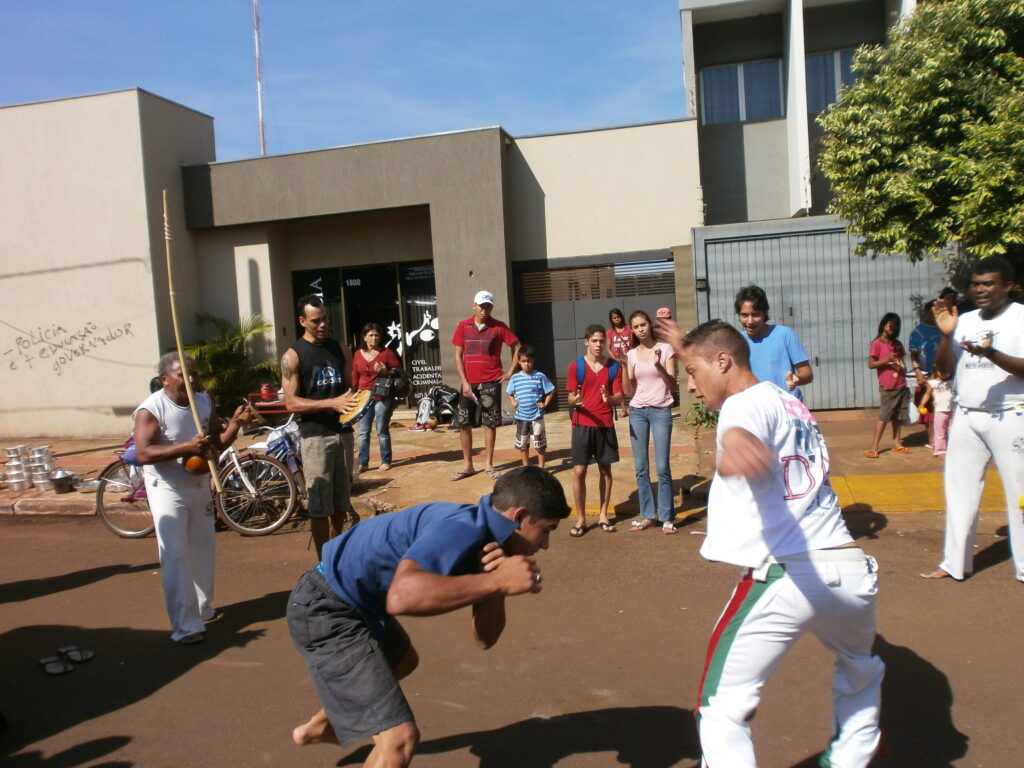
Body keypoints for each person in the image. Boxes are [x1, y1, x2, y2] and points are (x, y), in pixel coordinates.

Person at [658, 318, 884, 768]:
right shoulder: (789, 400)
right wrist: (687, 347)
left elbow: (743, 425)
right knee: (860, 673)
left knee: (720, 705)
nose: (692, 386)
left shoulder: (741, 408)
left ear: (723, 362)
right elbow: (722, 363)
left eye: (692, 373)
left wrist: (738, 442)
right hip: (852, 571)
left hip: (790, 574)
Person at [288, 466, 570, 767]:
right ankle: (339, 724)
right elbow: (402, 596)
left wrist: (496, 586)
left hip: (360, 602)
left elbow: (485, 639)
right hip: (326, 606)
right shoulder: (463, 528)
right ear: (519, 516)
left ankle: (321, 727)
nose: (545, 544)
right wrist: (497, 582)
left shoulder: (495, 540)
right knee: (399, 741)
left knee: (402, 661)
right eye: (547, 529)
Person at [921, 257, 1024, 582]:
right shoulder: (963, 320)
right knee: (959, 491)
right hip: (967, 415)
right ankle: (954, 563)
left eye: (989, 283)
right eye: (976, 284)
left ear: (1007, 286)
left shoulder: (1020, 318)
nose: (980, 290)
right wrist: (946, 336)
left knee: (1020, 495)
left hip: (1010, 414)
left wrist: (990, 353)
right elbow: (944, 369)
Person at [133, 352, 246, 644]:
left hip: (199, 485)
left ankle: (202, 609)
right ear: (164, 380)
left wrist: (234, 425)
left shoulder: (205, 402)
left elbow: (215, 445)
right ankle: (185, 626)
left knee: (202, 550)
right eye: (184, 374)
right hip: (167, 489)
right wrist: (185, 447)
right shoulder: (152, 409)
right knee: (175, 556)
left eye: (194, 373)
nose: (192, 379)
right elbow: (143, 453)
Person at [282, 295, 359, 560]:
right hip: (315, 437)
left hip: (343, 435)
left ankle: (337, 557)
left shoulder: (342, 348)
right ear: (303, 321)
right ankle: (322, 563)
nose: (323, 324)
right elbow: (290, 403)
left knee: (341, 504)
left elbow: (350, 390)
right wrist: (331, 402)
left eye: (326, 318)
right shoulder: (293, 356)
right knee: (319, 507)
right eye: (317, 320)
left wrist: (360, 401)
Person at [451, 290, 521, 481]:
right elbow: (458, 355)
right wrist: (464, 382)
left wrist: (510, 371)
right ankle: (468, 465)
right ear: (474, 305)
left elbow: (517, 347)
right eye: (482, 305)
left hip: (491, 381)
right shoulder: (463, 326)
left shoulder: (499, 327)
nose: (485, 309)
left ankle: (489, 464)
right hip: (469, 383)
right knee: (464, 424)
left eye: (488, 305)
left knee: (489, 424)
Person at [621, 310, 678, 534]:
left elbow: (673, 386)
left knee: (662, 466)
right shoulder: (632, 354)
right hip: (637, 412)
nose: (641, 329)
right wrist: (624, 367)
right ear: (632, 330)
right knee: (641, 468)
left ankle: (666, 517)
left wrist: (659, 366)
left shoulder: (665, 349)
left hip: (661, 410)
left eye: (643, 324)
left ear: (649, 325)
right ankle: (647, 515)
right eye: (636, 327)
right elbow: (628, 390)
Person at [567, 324, 624, 536]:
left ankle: (603, 515)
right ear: (586, 342)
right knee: (579, 471)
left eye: (602, 341)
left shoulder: (613, 367)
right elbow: (570, 396)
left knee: (605, 470)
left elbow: (619, 396)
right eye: (595, 341)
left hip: (605, 424)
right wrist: (576, 400)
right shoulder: (576, 366)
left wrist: (609, 399)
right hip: (582, 424)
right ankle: (581, 518)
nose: (599, 344)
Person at [733, 285, 813, 399]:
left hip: (786, 408)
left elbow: (807, 374)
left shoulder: (785, 335)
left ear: (764, 313)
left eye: (755, 315)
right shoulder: (736, 341)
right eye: (745, 315)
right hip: (755, 408)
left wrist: (796, 379)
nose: (750, 321)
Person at [352, 322, 403, 474]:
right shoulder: (357, 354)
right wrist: (353, 391)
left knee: (382, 430)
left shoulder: (386, 353)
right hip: (363, 396)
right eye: (371, 335)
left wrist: (385, 371)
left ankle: (386, 460)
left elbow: (398, 372)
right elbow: (355, 374)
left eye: (377, 335)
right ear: (365, 337)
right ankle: (363, 462)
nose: (374, 338)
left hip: (382, 396)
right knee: (363, 432)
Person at [864, 312, 910, 458]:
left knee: (898, 416)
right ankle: (874, 447)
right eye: (889, 324)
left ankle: (897, 443)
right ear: (884, 325)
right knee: (884, 416)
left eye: (895, 325)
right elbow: (871, 364)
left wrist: (901, 369)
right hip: (887, 386)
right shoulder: (876, 343)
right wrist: (887, 360)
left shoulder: (897, 344)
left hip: (901, 383)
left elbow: (903, 364)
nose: (892, 327)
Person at [506, 345, 555, 469]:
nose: (526, 364)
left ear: (533, 361)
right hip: (521, 418)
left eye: (529, 361)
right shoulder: (515, 378)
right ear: (519, 361)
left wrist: (546, 403)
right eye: (523, 361)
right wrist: (513, 401)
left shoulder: (539, 376)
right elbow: (509, 392)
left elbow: (551, 390)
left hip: (537, 417)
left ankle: (542, 468)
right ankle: (526, 468)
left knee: (540, 445)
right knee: (523, 445)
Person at [909, 300, 942, 448]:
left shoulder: (944, 329)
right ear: (927, 312)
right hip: (927, 375)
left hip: (945, 376)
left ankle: (943, 438)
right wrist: (918, 372)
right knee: (928, 408)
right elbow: (914, 355)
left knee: (944, 407)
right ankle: (932, 440)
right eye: (932, 311)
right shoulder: (918, 332)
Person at [918, 368, 953, 457]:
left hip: (952, 411)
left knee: (953, 431)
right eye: (942, 370)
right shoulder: (933, 382)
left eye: (947, 371)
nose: (945, 374)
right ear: (936, 371)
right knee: (940, 432)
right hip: (939, 411)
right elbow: (927, 394)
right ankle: (940, 450)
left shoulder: (953, 381)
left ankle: (954, 449)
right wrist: (922, 404)